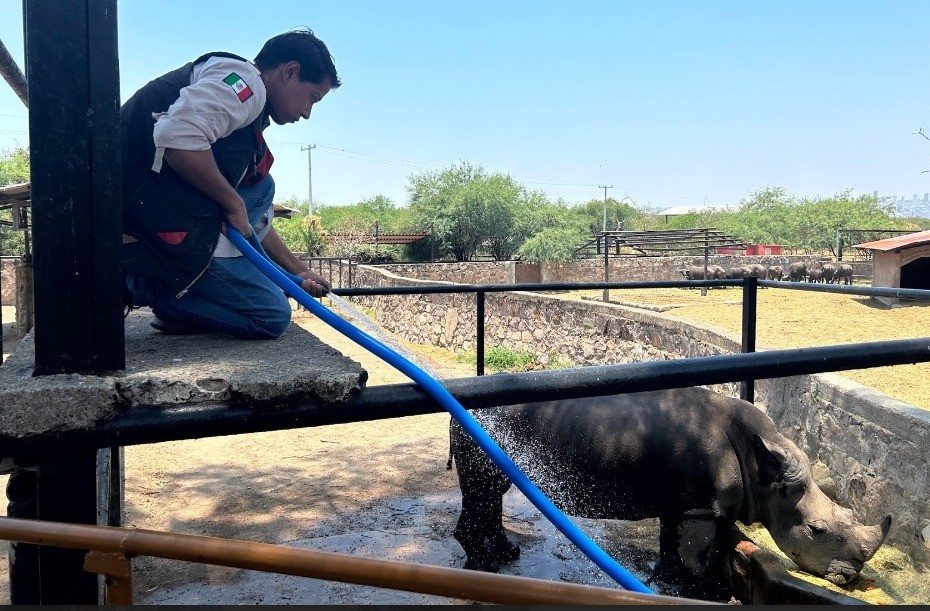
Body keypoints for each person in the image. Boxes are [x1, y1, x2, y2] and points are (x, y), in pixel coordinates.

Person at [121, 27, 340, 339]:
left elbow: (255, 218)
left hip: (161, 208)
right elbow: (177, 137)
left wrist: (297, 271)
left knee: (262, 187)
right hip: (143, 215)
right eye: (312, 99)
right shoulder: (244, 82)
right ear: (290, 72)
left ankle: (172, 294)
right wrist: (232, 202)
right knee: (272, 316)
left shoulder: (246, 125)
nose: (307, 113)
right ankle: (147, 286)